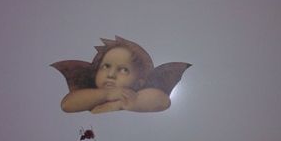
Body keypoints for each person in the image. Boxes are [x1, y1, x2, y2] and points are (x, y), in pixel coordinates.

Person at [51, 36, 191, 114]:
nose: (111, 74)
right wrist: (106, 95)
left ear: (139, 82)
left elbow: (163, 101)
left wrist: (122, 103)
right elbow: (67, 104)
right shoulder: (89, 95)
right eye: (106, 66)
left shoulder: (139, 95)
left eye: (123, 70)